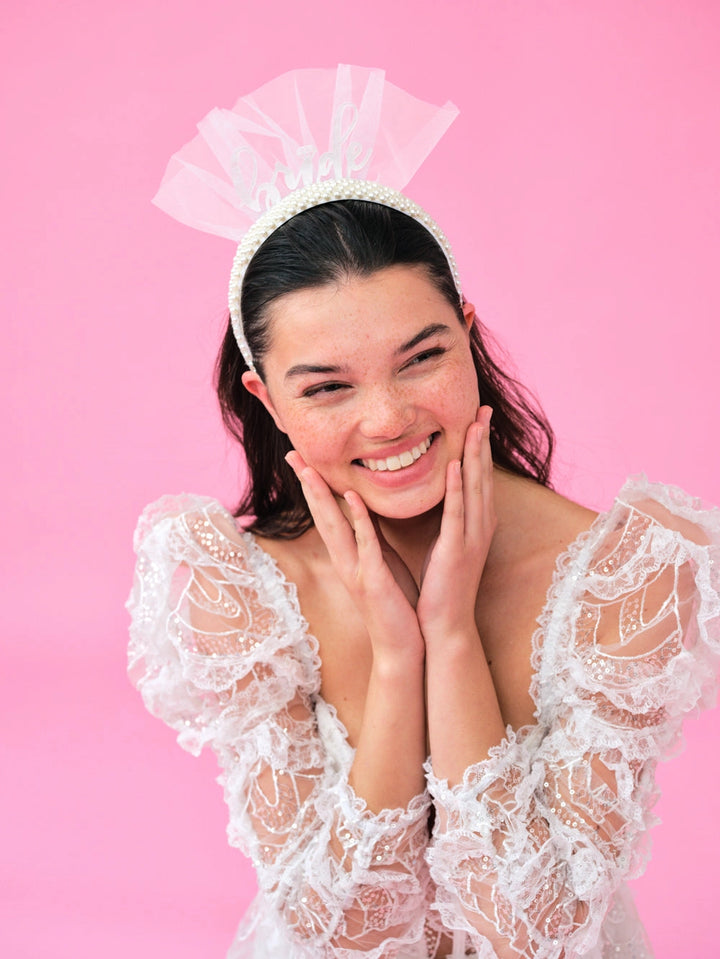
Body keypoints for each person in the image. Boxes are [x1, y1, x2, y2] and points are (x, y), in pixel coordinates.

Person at [127, 66, 720, 959]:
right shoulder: (234, 589)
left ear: (469, 333)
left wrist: (452, 634)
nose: (390, 419)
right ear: (266, 400)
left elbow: (535, 936)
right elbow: (344, 932)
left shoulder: (631, 570)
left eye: (421, 357)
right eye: (327, 386)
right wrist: (397, 653)